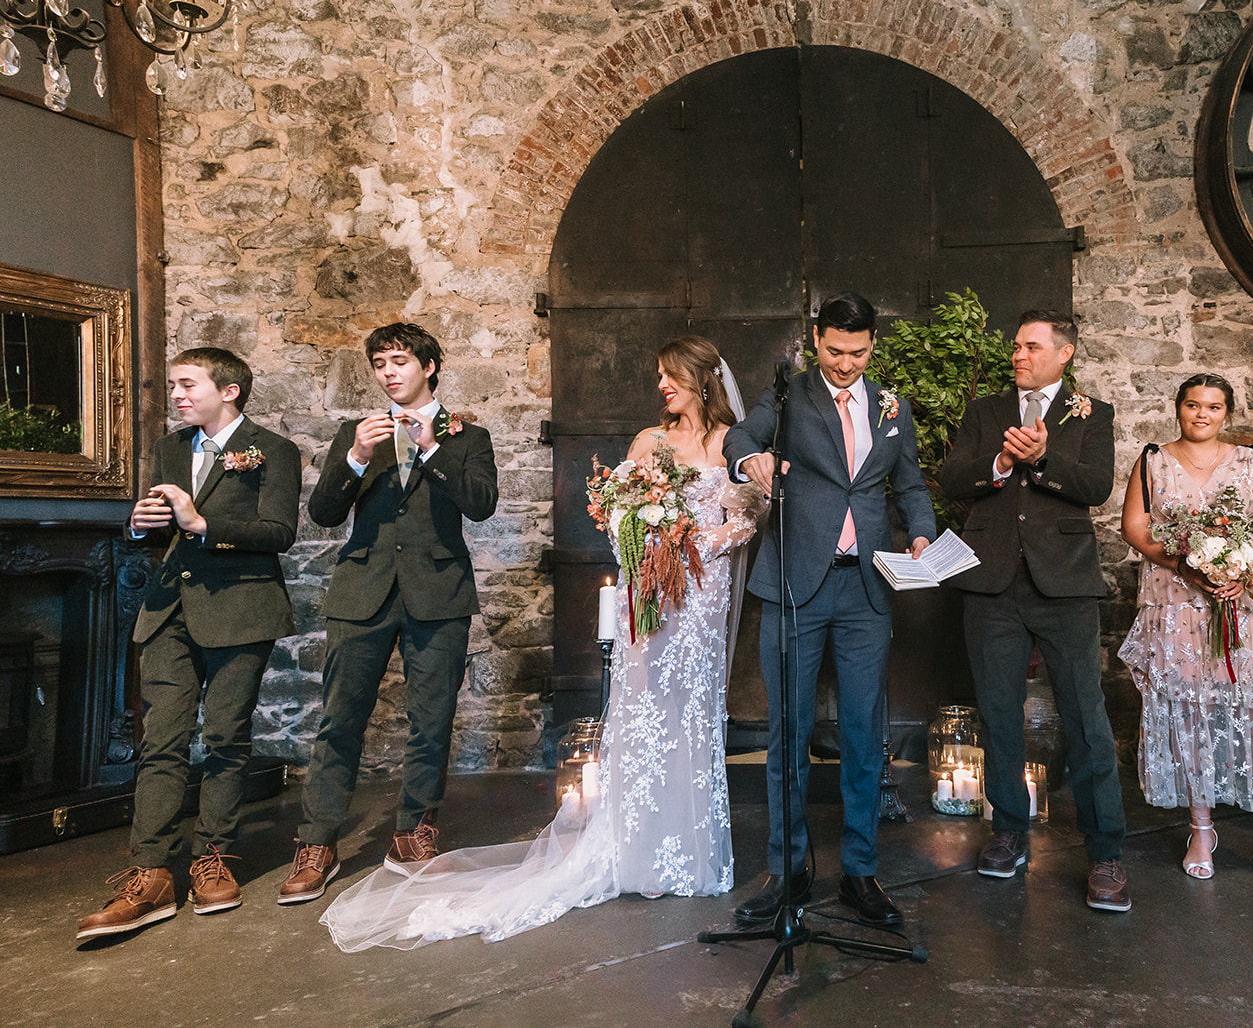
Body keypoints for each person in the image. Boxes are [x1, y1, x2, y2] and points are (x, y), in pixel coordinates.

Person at [317, 336, 759, 950]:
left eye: (671, 376)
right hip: (654, 598)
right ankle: (632, 849)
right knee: (645, 718)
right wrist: (654, 543)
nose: (661, 385)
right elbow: (618, 516)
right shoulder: (648, 443)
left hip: (703, 598)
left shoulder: (734, 445)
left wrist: (696, 544)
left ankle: (689, 852)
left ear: (703, 381)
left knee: (695, 718)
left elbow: (749, 515)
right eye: (658, 375)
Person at [725, 292, 936, 928]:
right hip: (796, 583)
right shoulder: (790, 394)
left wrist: (920, 533)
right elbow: (739, 435)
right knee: (787, 732)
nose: (846, 364)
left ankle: (860, 874)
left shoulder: (891, 406)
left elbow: (912, 485)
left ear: (874, 345)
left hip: (867, 588)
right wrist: (750, 458)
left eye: (860, 352)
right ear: (816, 340)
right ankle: (786, 871)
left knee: (865, 735)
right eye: (835, 351)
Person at [77, 349, 301, 940]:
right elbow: (154, 529)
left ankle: (213, 857)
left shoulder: (273, 450)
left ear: (227, 391)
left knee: (226, 737)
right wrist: (139, 524)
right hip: (169, 609)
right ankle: (150, 873)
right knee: (163, 741)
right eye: (173, 384)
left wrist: (202, 524)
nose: (175, 394)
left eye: (186, 384)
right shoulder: (172, 447)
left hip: (241, 611)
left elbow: (281, 533)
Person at [277, 323, 499, 906]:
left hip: (438, 593)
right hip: (362, 594)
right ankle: (318, 843)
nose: (388, 372)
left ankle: (412, 830)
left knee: (431, 719)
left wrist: (430, 449)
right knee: (340, 719)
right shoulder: (357, 435)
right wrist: (355, 458)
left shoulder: (467, 436)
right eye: (379, 364)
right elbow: (324, 515)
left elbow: (480, 506)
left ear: (429, 365)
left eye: (399, 360)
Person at [942, 311, 1133, 911]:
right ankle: (1007, 835)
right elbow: (951, 477)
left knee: (1084, 716)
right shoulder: (984, 412)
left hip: (1065, 587)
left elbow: (1096, 486)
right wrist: (999, 466)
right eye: (1016, 345)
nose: (1018, 355)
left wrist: (1045, 458)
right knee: (998, 713)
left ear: (1064, 353)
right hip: (990, 584)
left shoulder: (1091, 414)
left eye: (1031, 346)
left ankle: (1105, 854)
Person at [1118, 374, 1253, 888]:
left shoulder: (1249, 461)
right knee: (1192, 710)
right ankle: (1201, 830)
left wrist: (1242, 573)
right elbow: (1136, 527)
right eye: (1192, 404)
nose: (1201, 415)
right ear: (1178, 408)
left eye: (1213, 407)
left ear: (1226, 413)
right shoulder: (1152, 459)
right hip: (1177, 601)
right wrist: (1190, 568)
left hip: (1245, 602)